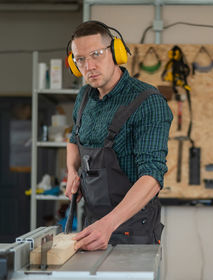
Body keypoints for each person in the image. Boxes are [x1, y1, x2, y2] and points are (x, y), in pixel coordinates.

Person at [65, 20, 173, 251]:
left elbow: (152, 177)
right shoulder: (84, 96)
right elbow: (73, 139)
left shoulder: (147, 102)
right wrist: (73, 171)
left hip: (132, 229)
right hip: (93, 223)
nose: (89, 66)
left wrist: (110, 224)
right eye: (80, 59)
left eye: (96, 54)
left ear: (116, 52)